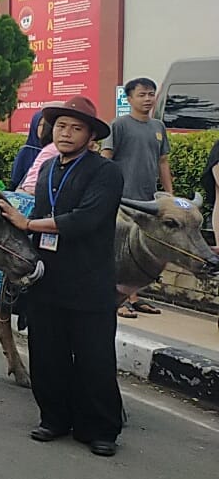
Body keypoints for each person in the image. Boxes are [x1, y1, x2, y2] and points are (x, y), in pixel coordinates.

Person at [0, 95, 124, 457]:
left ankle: (99, 428)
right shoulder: (48, 168)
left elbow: (86, 218)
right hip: (48, 278)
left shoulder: (106, 172)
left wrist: (30, 224)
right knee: (47, 353)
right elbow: (35, 212)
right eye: (61, 126)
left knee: (94, 357)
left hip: (89, 280)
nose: (66, 133)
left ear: (90, 136)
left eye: (76, 128)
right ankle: (54, 418)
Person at [101, 77, 171, 317]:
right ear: (129, 99)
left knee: (140, 252)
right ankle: (118, 300)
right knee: (121, 251)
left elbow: (163, 161)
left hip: (149, 202)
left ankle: (135, 297)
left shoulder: (158, 127)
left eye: (151, 94)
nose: (147, 99)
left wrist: (169, 196)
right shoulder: (119, 125)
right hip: (123, 200)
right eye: (142, 95)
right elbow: (106, 157)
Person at [10, 111, 46, 190]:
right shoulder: (26, 151)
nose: (44, 129)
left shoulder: (56, 151)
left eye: (47, 125)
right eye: (41, 125)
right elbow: (15, 179)